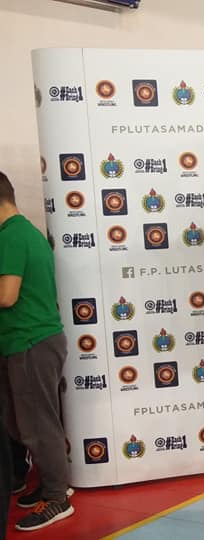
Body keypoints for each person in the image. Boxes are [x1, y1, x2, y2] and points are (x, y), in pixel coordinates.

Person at [0, 171, 74, 530]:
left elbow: (6, 295)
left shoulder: (12, 236)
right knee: (23, 423)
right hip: (27, 342)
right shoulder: (22, 232)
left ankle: (58, 498)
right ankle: (51, 484)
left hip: (31, 342)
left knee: (38, 426)